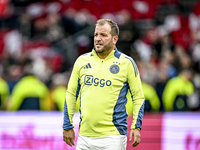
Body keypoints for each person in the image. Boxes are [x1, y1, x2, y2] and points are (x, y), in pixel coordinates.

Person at [63, 19, 145, 150]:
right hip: (84, 136)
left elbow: (138, 97)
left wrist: (136, 125)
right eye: (96, 35)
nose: (98, 39)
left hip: (113, 137)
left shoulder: (126, 63)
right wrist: (67, 125)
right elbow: (71, 93)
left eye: (103, 35)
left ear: (114, 39)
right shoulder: (81, 61)